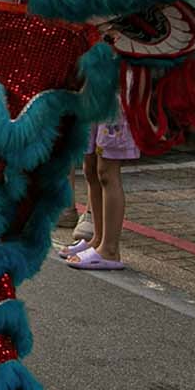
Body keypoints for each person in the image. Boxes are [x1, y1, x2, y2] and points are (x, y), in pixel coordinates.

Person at [63, 108, 138, 271]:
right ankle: (97, 239)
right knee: (90, 167)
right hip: (94, 97)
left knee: (107, 171)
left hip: (114, 99)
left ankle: (110, 249)